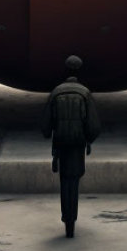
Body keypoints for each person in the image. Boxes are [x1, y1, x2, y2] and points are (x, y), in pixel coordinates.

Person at [40, 55, 101, 238]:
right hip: (77, 145)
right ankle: (71, 220)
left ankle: (67, 218)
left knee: (64, 181)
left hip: (61, 144)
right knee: (74, 181)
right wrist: (88, 139)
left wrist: (50, 133)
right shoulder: (84, 93)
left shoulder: (56, 92)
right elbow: (94, 125)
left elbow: (45, 125)